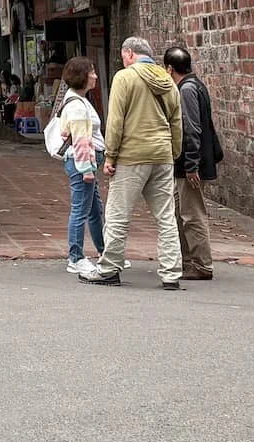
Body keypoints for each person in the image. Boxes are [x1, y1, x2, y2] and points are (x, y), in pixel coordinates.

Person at [79, 36, 184, 290]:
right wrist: (174, 153)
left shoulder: (124, 78)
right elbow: (176, 121)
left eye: (122, 55)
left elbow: (115, 121)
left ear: (128, 54)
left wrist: (110, 155)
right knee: (166, 217)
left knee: (118, 215)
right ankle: (171, 273)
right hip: (162, 154)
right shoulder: (167, 81)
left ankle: (109, 268)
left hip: (132, 155)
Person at [165, 45, 223, 281]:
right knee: (180, 212)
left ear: (169, 69)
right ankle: (188, 260)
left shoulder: (187, 90)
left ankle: (201, 264)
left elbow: (191, 129)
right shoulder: (195, 85)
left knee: (192, 214)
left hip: (191, 164)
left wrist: (191, 165)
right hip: (190, 163)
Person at [51, 56, 107, 275]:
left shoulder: (80, 100)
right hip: (82, 164)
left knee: (94, 210)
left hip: (85, 163)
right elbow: (81, 139)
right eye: (91, 72)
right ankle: (75, 257)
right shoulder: (77, 105)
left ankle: (103, 251)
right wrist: (87, 170)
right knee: (81, 210)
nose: (95, 76)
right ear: (83, 76)